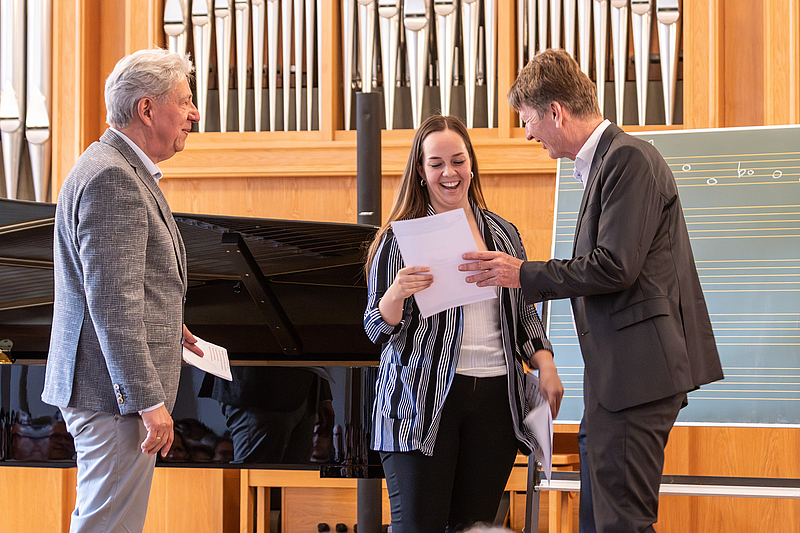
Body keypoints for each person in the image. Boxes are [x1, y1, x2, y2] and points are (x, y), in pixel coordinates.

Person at [459, 49, 724, 533]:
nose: (527, 134)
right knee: (599, 522)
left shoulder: (627, 158)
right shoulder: (606, 163)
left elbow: (614, 266)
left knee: (620, 523)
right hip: (617, 381)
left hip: (636, 377)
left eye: (528, 120)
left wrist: (522, 274)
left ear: (555, 112)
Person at [363, 114, 563, 533]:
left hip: (496, 402)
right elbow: (376, 329)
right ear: (421, 172)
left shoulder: (503, 233)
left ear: (471, 164)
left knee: (475, 529)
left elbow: (523, 312)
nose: (449, 172)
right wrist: (396, 294)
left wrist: (545, 363)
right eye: (436, 164)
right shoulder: (399, 238)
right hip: (421, 403)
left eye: (458, 160)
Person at [41, 48, 203, 532]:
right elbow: (113, 307)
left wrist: (167, 325)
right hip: (113, 398)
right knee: (108, 526)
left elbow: (123, 289)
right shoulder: (114, 177)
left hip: (108, 392)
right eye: (184, 101)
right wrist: (147, 402)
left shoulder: (112, 165)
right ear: (147, 109)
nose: (194, 114)